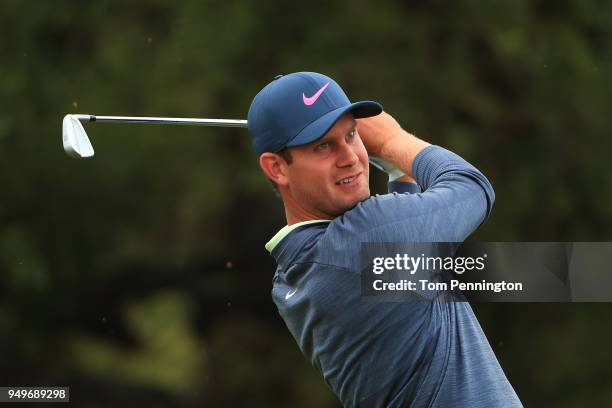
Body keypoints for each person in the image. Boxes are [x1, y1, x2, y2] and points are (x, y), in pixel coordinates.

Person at [247, 72, 522, 407]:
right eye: (323, 146)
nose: (349, 156)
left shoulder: (292, 274)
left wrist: (398, 173)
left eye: (350, 135)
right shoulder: (363, 241)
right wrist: (393, 141)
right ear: (277, 168)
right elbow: (472, 188)